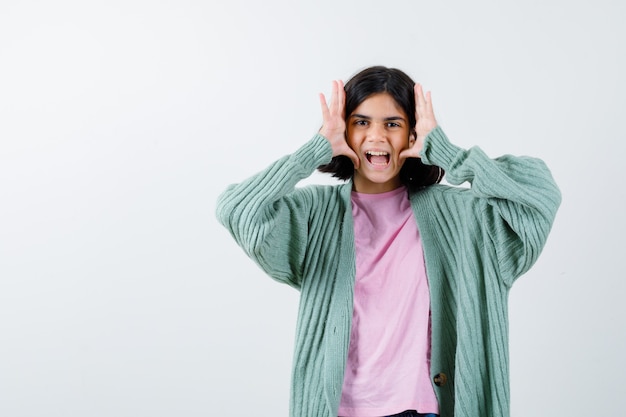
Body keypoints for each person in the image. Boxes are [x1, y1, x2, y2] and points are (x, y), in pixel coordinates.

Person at [215, 66, 561, 417]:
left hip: (423, 409)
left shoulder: (459, 217)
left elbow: (537, 198)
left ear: (413, 133)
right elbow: (237, 209)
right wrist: (313, 151)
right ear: (344, 130)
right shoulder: (315, 214)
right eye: (361, 122)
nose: (377, 136)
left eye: (392, 124)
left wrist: (449, 154)